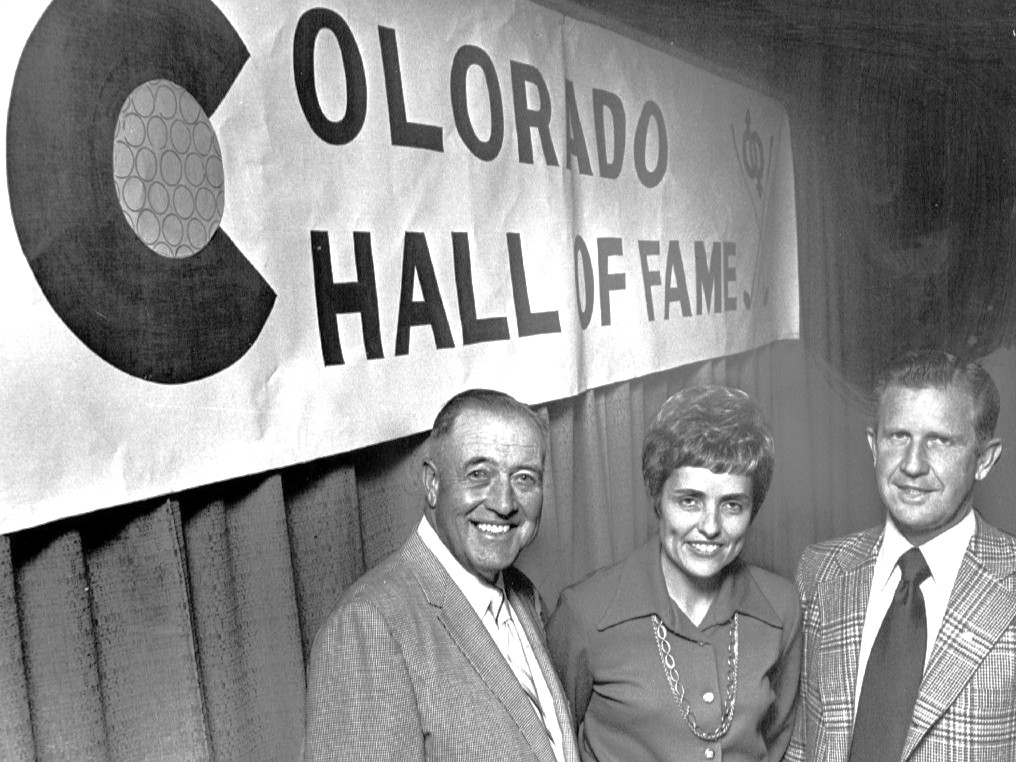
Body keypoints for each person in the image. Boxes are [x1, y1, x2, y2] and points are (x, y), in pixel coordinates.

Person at [303, 389, 579, 762]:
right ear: (433, 483)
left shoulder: (523, 594)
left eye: (524, 478)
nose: (504, 503)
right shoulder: (369, 624)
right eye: (479, 474)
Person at [546, 385, 801, 762]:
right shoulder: (586, 611)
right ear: (656, 497)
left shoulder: (781, 607)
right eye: (689, 501)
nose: (710, 527)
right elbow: (553, 743)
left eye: (732, 505)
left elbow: (780, 740)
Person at [788, 349, 1014, 762]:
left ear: (984, 459)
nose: (912, 465)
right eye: (898, 437)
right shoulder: (819, 572)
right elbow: (801, 746)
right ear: (875, 446)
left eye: (940, 441)